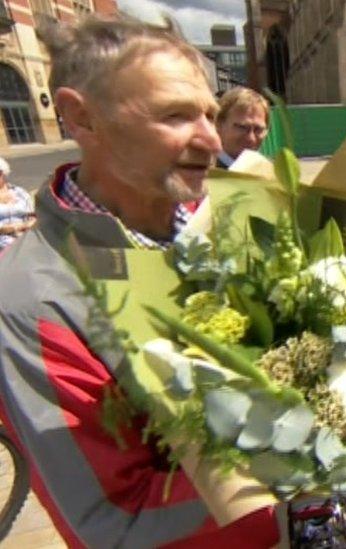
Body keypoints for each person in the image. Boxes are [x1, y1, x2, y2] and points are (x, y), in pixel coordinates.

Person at [0, 17, 281, 547]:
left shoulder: (231, 216)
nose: (208, 137)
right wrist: (302, 461)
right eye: (175, 115)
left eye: (210, 114)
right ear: (81, 118)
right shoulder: (34, 301)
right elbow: (116, 517)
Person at [215, 86, 270, 169]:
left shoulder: (273, 174)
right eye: (242, 127)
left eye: (258, 129)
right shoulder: (202, 176)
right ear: (218, 125)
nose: (251, 138)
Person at [0, 158, 35, 252]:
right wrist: (15, 227)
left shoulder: (19, 192)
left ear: (4, 173)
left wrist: (26, 227)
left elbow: (33, 216)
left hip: (25, 237)